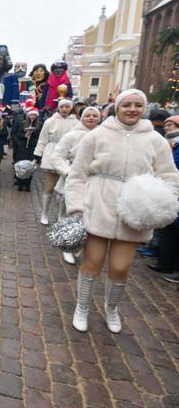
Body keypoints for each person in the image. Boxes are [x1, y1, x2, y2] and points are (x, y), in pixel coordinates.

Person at [65, 89, 179, 333]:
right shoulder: (97, 136)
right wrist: (76, 206)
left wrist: (162, 203)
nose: (132, 109)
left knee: (120, 266)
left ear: (144, 108)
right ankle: (82, 307)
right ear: (117, 107)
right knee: (92, 261)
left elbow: (169, 175)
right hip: (99, 205)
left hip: (135, 209)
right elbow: (78, 173)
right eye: (127, 104)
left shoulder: (155, 140)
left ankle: (111, 307)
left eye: (138, 105)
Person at [50, 106, 101, 264]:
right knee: (67, 214)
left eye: (94, 115)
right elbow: (57, 155)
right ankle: (67, 246)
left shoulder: (104, 136)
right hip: (73, 180)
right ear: (81, 117)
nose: (91, 118)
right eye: (88, 115)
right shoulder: (71, 135)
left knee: (89, 214)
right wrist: (67, 171)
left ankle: (79, 244)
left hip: (94, 181)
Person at [33, 98, 78, 225]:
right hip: (52, 153)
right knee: (50, 186)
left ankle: (61, 215)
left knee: (64, 188)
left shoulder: (76, 123)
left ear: (71, 108)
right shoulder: (50, 121)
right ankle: (44, 213)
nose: (64, 109)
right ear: (58, 108)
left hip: (68, 156)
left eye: (67, 107)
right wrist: (37, 155)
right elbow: (43, 139)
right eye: (62, 107)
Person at [152, 115, 179, 282]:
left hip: (174, 186)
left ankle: (173, 265)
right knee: (169, 227)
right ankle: (164, 260)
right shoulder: (166, 141)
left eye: (172, 124)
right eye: (166, 124)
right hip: (167, 185)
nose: (168, 127)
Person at [15, 106, 42, 191]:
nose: (32, 117)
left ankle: (27, 185)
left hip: (32, 147)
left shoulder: (39, 124)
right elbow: (18, 134)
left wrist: (33, 134)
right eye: (31, 115)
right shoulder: (23, 123)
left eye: (34, 115)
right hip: (23, 146)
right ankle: (20, 183)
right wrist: (25, 135)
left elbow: (40, 136)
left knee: (30, 166)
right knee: (21, 165)